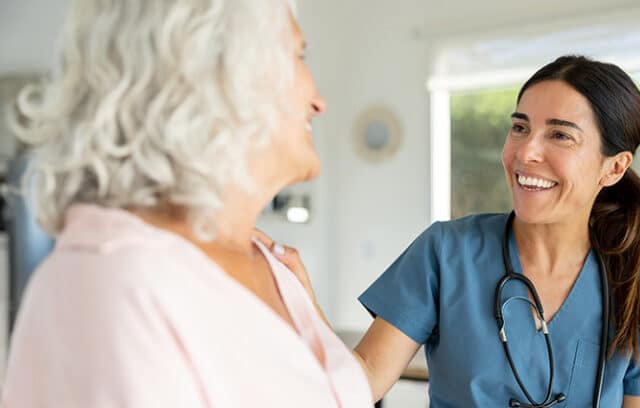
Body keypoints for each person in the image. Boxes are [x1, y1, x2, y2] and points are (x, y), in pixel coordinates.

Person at [266, 55, 640, 407]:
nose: (526, 152)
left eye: (560, 135)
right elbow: (360, 386)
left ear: (614, 167)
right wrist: (303, 309)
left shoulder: (635, 286)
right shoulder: (446, 253)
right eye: (520, 127)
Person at [1, 0, 372, 407]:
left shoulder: (275, 266)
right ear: (217, 72)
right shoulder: (115, 283)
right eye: (298, 54)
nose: (320, 102)